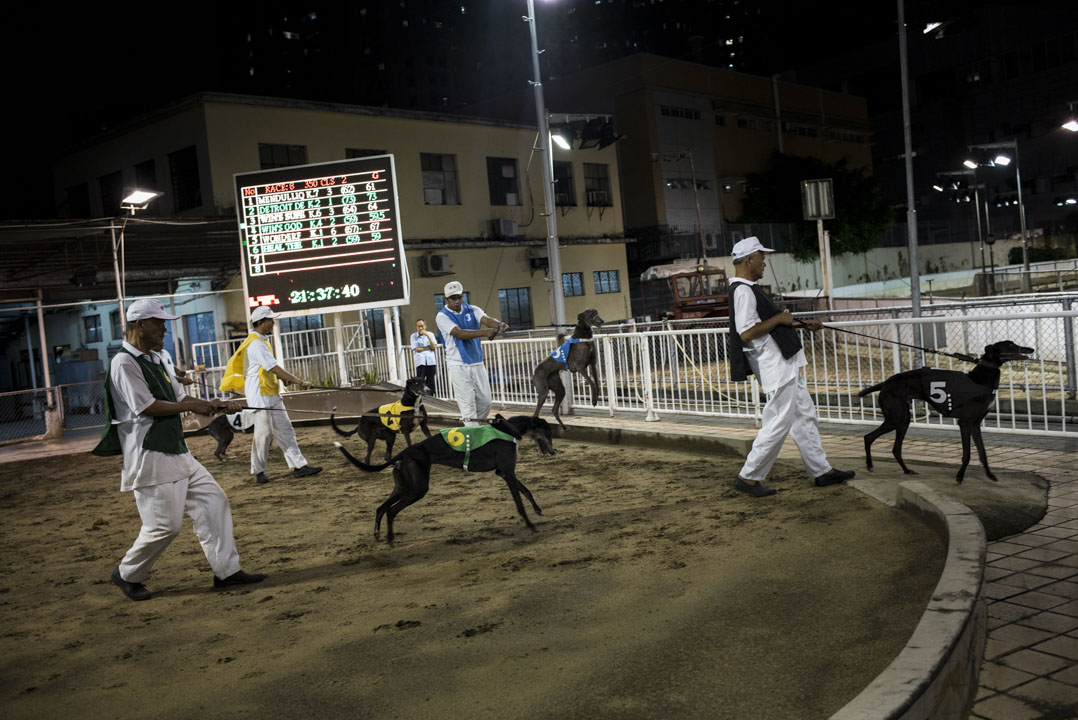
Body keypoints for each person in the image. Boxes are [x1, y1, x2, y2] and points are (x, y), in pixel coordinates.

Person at [94, 298, 264, 601]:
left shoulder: (158, 359)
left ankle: (226, 571)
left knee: (214, 501)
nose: (164, 330)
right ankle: (127, 573)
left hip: (176, 450)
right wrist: (201, 405)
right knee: (164, 527)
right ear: (139, 324)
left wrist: (217, 403)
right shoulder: (123, 362)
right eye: (159, 323)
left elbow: (180, 396)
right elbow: (147, 407)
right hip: (150, 456)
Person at [727, 236, 854, 497]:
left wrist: (802, 324)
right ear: (749, 259)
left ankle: (821, 471)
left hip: (784, 362)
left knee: (804, 416)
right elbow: (747, 333)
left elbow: (770, 324)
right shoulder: (742, 290)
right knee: (777, 422)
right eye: (762, 257)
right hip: (775, 365)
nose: (764, 262)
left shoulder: (749, 287)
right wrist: (780, 318)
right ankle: (748, 477)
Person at [220, 305, 322, 484]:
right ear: (260, 323)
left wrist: (283, 380)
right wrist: (299, 382)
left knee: (285, 430)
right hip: (260, 395)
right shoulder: (256, 344)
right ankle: (259, 471)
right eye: (270, 320)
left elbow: (269, 369)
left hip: (270, 392)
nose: (273, 323)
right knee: (264, 433)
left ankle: (299, 466)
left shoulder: (261, 340)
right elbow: (273, 367)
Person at [435, 280, 509, 426]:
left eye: (458, 297)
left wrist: (499, 324)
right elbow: (460, 334)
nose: (456, 301)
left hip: (477, 362)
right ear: (446, 298)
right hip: (458, 365)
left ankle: (473, 428)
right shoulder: (442, 316)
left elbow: (487, 320)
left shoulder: (472, 309)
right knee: (468, 406)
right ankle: (472, 433)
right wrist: (485, 332)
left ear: (462, 296)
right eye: (452, 298)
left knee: (486, 403)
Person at [410, 318, 438, 394]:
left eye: (422, 326)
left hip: (430, 361)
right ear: (416, 327)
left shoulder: (430, 334)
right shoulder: (413, 336)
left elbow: (434, 347)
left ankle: (431, 397)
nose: (420, 328)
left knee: (431, 381)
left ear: (425, 326)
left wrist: (427, 335)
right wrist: (428, 347)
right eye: (418, 326)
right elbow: (417, 349)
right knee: (420, 381)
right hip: (420, 361)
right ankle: (421, 397)